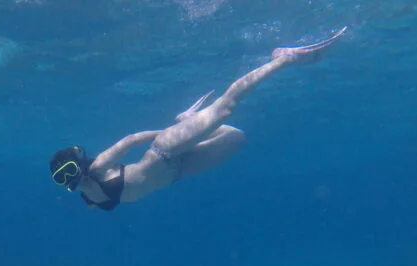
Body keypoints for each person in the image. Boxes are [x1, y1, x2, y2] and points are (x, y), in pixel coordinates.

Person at [49, 27, 348, 211]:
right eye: (67, 176)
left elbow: (130, 140)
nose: (74, 177)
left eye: (71, 170)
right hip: (178, 172)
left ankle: (283, 60)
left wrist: (172, 130)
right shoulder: (87, 198)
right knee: (236, 137)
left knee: (225, 109)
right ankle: (188, 116)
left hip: (164, 149)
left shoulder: (100, 165)